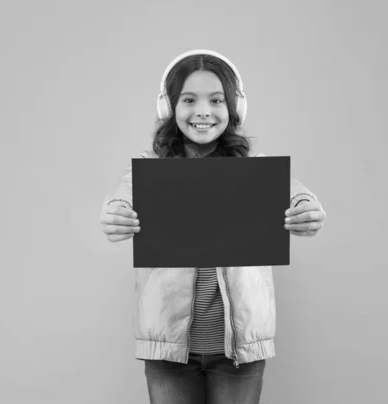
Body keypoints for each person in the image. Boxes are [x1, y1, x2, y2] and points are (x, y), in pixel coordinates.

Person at [100, 50, 326, 404]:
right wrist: (115, 213)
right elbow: (120, 198)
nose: (203, 111)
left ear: (234, 108)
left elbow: (296, 194)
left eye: (216, 100)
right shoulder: (150, 169)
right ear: (169, 107)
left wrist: (306, 208)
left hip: (238, 351)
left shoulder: (255, 169)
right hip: (169, 352)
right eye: (189, 100)